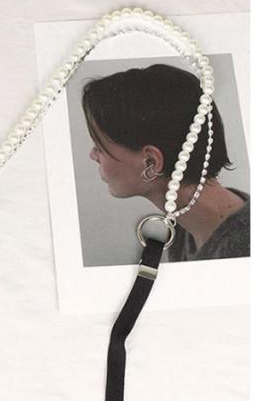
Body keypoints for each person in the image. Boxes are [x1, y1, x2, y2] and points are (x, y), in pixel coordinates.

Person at [83, 64, 249, 261]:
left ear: (151, 162)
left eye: (99, 147)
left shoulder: (243, 250)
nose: (92, 155)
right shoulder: (186, 226)